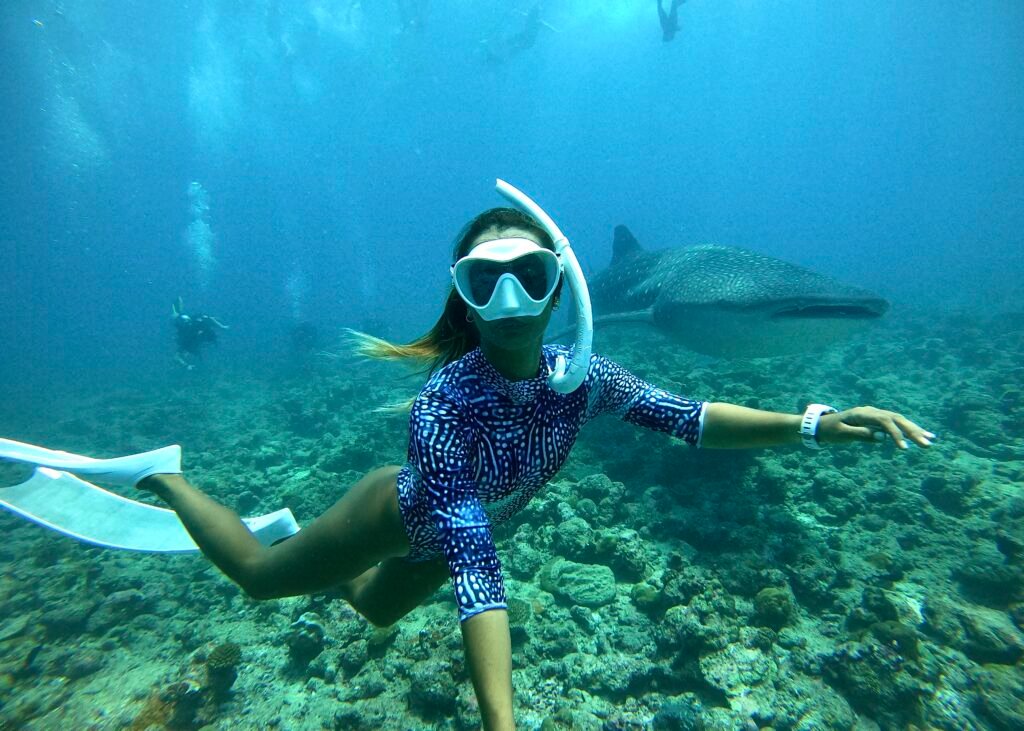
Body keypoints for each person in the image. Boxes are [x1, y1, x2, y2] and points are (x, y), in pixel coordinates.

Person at [139, 192, 933, 730]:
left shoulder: (582, 378)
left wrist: (814, 423)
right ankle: (172, 477)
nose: (511, 297)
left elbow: (690, 419)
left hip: (461, 533)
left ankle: (303, 539)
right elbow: (476, 567)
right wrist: (502, 718)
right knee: (256, 576)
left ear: (561, 291)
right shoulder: (442, 407)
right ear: (465, 299)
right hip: (401, 516)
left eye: (531, 275)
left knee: (374, 611)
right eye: (486, 281)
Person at [171, 296, 229, 370]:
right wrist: (187, 366)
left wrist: (186, 365)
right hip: (192, 331)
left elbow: (176, 357)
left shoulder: (186, 343)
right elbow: (176, 357)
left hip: (192, 331)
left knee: (204, 319)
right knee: (204, 319)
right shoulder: (187, 343)